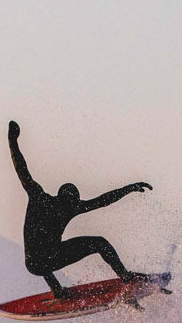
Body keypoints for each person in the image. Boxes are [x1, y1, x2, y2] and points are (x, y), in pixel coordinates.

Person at [8, 120, 152, 297]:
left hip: (37, 262)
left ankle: (57, 290)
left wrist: (128, 188)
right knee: (98, 243)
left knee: (50, 243)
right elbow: (21, 169)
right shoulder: (42, 199)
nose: (72, 206)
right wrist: (12, 141)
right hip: (40, 260)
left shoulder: (50, 201)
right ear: (62, 198)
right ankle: (125, 276)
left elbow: (102, 200)